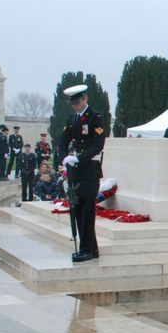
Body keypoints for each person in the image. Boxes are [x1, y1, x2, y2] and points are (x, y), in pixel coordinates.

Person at [57, 84, 107, 263]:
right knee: (77, 208)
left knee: (87, 210)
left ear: (85, 99)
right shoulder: (72, 119)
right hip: (75, 171)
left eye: (77, 102)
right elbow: (63, 141)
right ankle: (91, 249)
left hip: (89, 169)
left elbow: (98, 144)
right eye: (73, 103)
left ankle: (87, 249)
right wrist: (64, 158)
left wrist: (80, 158)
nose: (75, 106)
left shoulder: (95, 117)